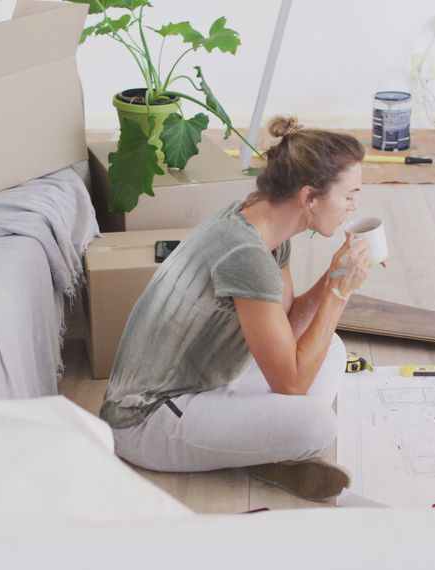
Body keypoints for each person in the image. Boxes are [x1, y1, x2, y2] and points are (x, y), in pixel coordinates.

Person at [100, 115, 374, 501]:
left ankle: (261, 447)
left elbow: (290, 324)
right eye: (348, 195)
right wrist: (338, 292)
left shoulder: (261, 221)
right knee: (316, 425)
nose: (353, 206)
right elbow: (291, 384)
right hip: (146, 420)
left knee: (330, 347)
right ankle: (270, 450)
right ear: (310, 197)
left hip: (204, 379)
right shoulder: (247, 255)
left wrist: (334, 273)